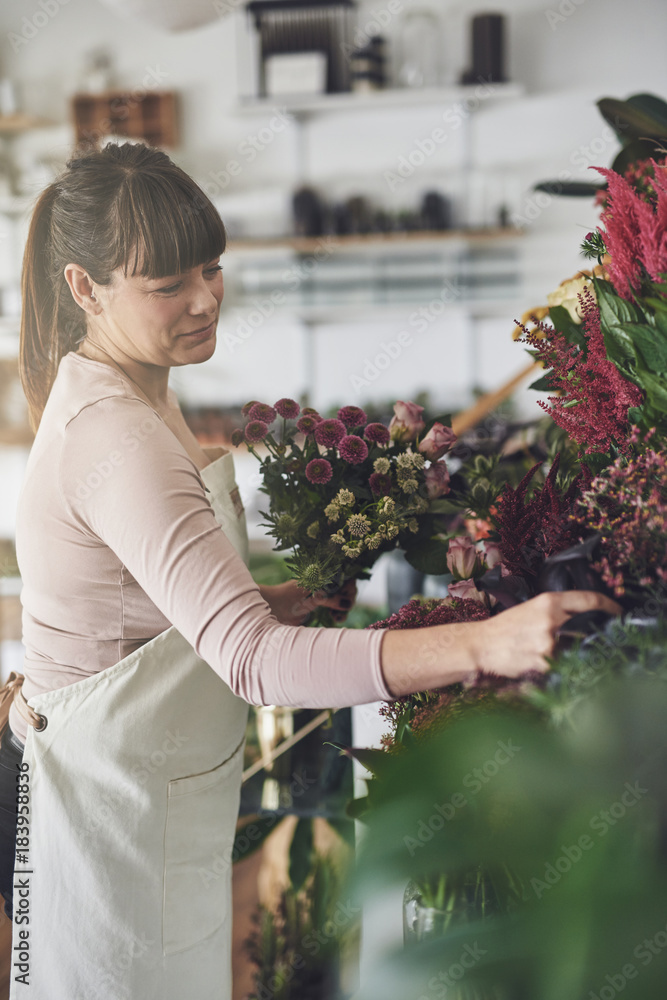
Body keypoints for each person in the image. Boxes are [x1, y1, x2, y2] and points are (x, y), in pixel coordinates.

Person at [1, 141, 620, 999]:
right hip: (111, 826)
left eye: (210, 268)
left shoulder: (138, 387)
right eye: (167, 285)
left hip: (144, 802)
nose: (204, 299)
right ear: (84, 288)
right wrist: (489, 643)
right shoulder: (117, 433)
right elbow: (251, 663)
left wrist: (282, 599)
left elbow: (147, 610)